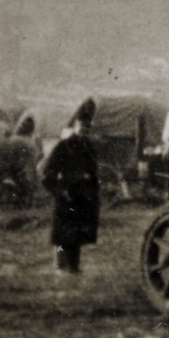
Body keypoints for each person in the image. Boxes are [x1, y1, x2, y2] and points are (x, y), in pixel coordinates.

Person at [41, 99, 101, 273]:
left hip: (83, 196)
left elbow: (94, 174)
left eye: (87, 128)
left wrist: (93, 194)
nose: (84, 131)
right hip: (66, 196)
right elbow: (47, 174)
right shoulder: (63, 147)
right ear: (75, 126)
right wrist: (60, 191)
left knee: (77, 234)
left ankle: (74, 266)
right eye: (82, 127)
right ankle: (60, 265)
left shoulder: (89, 148)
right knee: (62, 235)